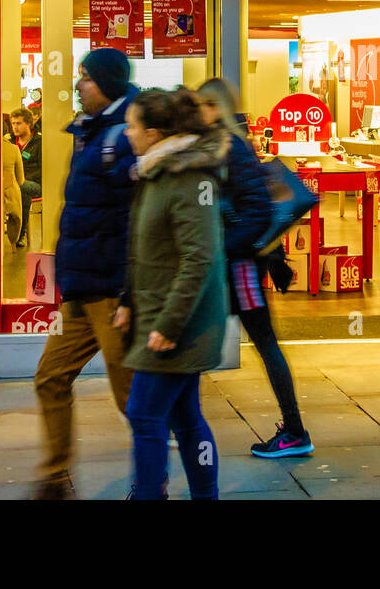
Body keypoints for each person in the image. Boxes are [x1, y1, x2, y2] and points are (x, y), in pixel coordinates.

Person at [112, 87, 230, 500]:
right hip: (165, 315)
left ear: (155, 132)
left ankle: (149, 495)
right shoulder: (156, 172)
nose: (126, 133)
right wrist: (129, 300)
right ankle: (204, 496)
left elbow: (199, 259)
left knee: (145, 415)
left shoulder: (188, 178)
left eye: (132, 126)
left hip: (181, 321)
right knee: (185, 416)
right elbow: (146, 248)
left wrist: (168, 324)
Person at [31, 48, 138, 500]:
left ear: (107, 84)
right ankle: (55, 478)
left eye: (86, 78)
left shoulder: (125, 137)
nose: (78, 84)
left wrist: (130, 295)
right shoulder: (89, 132)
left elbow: (139, 219)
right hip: (82, 288)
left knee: (135, 403)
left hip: (113, 293)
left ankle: (158, 481)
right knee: (50, 377)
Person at [197, 77, 313, 458]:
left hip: (239, 270)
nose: (197, 112)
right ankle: (177, 420)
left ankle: (295, 430)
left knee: (264, 342)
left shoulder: (233, 149)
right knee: (203, 340)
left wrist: (222, 250)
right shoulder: (223, 147)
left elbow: (255, 215)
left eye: (202, 105)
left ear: (214, 108)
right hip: (232, 266)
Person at [11, 107, 42, 248]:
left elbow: (43, 170)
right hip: (13, 182)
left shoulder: (39, 142)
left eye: (18, 123)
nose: (15, 127)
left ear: (28, 124)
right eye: (13, 123)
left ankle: (20, 234)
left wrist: (22, 178)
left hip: (35, 184)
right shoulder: (10, 143)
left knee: (22, 188)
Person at [1, 114, 24, 251]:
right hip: (10, 189)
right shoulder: (13, 149)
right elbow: (20, 178)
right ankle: (14, 242)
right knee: (16, 214)